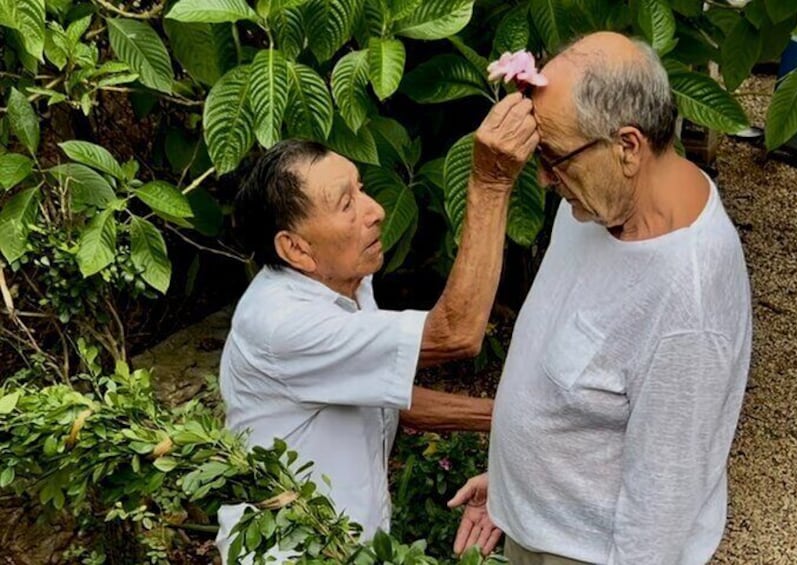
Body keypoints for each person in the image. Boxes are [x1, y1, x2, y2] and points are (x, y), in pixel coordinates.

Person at [449, 32, 752, 565]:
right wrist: (513, 484)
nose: (543, 178)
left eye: (553, 157)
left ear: (628, 146)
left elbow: (658, 516)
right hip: (539, 526)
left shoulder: (689, 302)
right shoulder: (599, 200)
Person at [215, 92, 540, 562]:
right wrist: (489, 183)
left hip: (352, 546)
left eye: (362, 187)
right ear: (296, 249)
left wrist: (517, 421)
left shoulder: (347, 282)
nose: (376, 210)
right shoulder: (283, 324)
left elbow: (384, 394)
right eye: (347, 204)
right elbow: (457, 333)